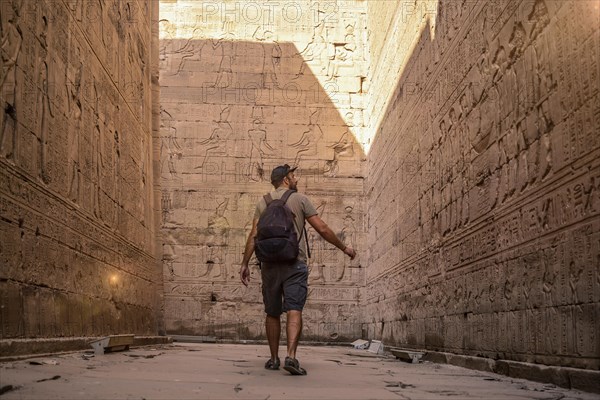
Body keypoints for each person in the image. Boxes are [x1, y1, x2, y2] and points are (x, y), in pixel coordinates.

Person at [240, 164, 357, 375]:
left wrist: (245, 263)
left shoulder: (263, 202)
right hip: (295, 262)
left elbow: (253, 235)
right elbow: (322, 228)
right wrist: (344, 248)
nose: (296, 180)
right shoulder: (300, 199)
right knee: (294, 308)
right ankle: (291, 357)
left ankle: (274, 359)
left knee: (272, 312)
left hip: (269, 265)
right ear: (286, 179)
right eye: (293, 176)